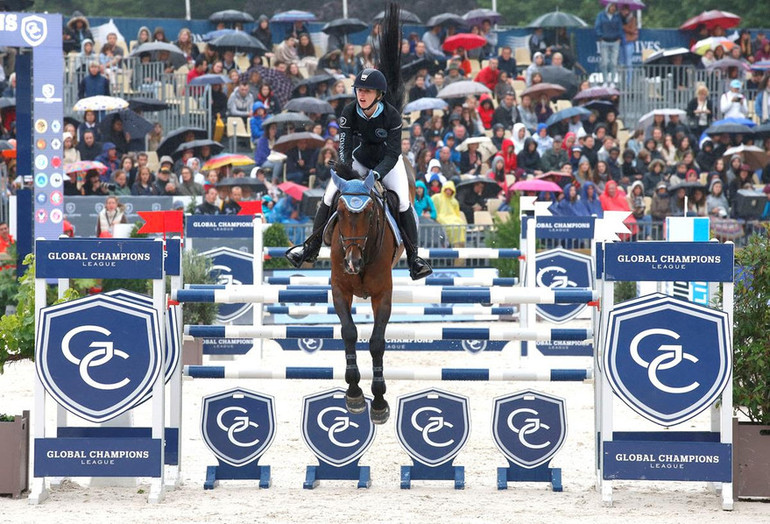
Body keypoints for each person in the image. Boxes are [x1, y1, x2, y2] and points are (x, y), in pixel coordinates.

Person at [286, 68, 432, 279]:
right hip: (359, 159)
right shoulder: (348, 112)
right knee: (328, 195)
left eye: (367, 91)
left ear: (379, 95)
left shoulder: (392, 116)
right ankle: (311, 247)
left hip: (388, 163)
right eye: (359, 90)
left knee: (402, 202)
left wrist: (377, 175)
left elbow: (392, 155)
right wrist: (346, 171)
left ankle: (414, 259)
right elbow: (344, 149)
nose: (361, 95)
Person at [594, 3, 623, 87]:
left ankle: (613, 81)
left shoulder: (617, 17)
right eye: (611, 6)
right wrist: (600, 36)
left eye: (614, 7)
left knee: (614, 62)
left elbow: (620, 28)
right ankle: (605, 81)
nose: (613, 8)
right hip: (604, 41)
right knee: (605, 62)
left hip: (615, 41)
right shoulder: (601, 15)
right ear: (608, 7)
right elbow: (597, 26)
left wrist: (619, 37)